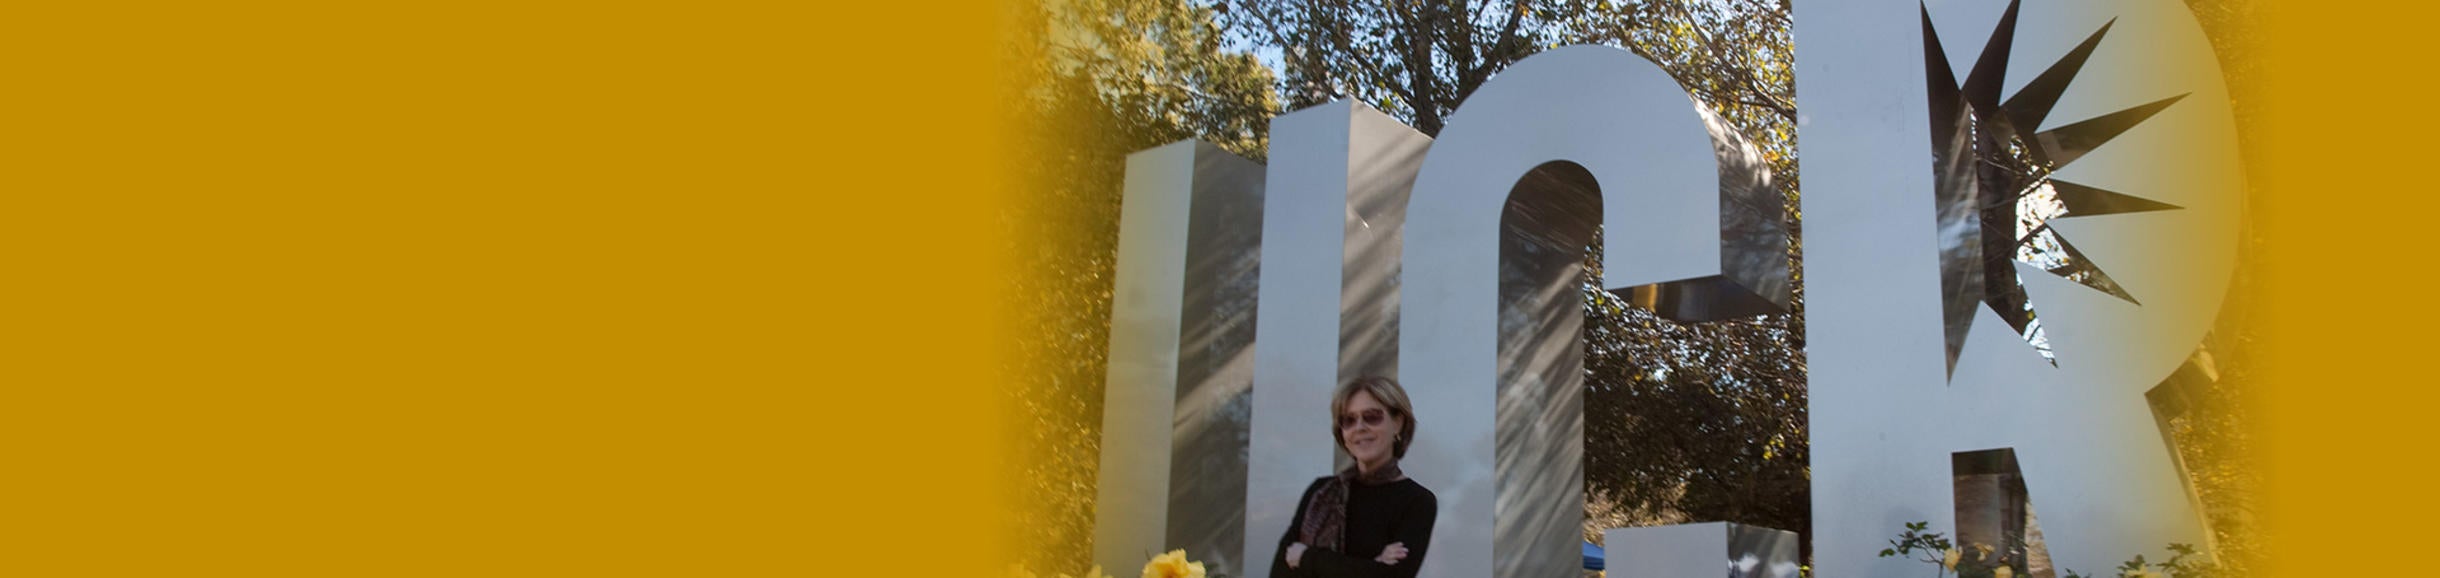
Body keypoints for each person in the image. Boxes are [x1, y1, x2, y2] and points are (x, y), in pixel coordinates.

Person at [1270, 376, 1437, 578]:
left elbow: (1393, 577)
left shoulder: (1417, 501)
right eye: (1348, 420)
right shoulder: (1321, 492)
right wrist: (1370, 567)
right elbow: (1280, 572)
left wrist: (1306, 557)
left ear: (1398, 423)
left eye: (1372, 416)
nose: (1359, 427)